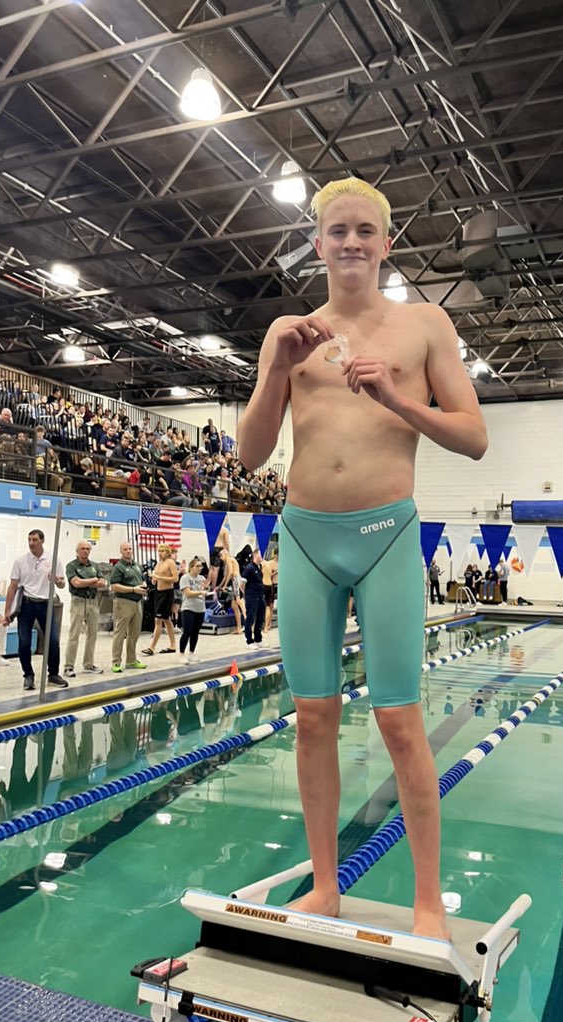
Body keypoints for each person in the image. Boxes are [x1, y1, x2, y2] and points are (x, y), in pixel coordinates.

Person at [236, 176, 487, 938]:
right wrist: (276, 364)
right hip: (307, 536)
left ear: (385, 243)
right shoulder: (290, 333)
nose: (350, 242)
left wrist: (397, 401)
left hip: (386, 539)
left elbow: (474, 438)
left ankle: (427, 899)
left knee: (401, 722)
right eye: (336, 231)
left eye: (363, 231)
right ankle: (323, 885)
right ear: (317, 244)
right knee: (312, 718)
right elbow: (250, 457)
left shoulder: (423, 326)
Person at [2, 529, 68, 690]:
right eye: (29, 539)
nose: (31, 543)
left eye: (35, 540)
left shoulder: (53, 559)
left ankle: (53, 674)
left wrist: (57, 580)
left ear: (42, 541)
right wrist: (7, 611)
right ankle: (28, 675)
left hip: (46, 604)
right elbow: (12, 586)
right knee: (24, 643)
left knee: (53, 641)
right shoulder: (21, 560)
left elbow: (62, 583)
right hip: (26, 605)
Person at [63, 540, 107, 677]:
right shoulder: (71, 566)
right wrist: (93, 580)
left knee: (93, 634)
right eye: (82, 548)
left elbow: (103, 583)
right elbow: (76, 583)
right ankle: (68, 666)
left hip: (93, 602)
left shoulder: (94, 566)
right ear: (77, 551)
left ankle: (88, 664)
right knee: (74, 634)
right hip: (78, 601)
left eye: (88, 549)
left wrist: (86, 582)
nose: (85, 551)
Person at [109, 542, 148, 673]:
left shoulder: (137, 566)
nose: (128, 551)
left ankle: (131, 660)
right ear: (121, 551)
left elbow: (142, 580)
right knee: (120, 633)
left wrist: (143, 585)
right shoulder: (118, 567)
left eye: (130, 549)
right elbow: (114, 586)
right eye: (125, 549)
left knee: (135, 633)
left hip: (137, 603)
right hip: (123, 602)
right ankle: (116, 662)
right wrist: (133, 589)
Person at [142, 543, 179, 656]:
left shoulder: (170, 563)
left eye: (162, 551)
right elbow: (156, 578)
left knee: (158, 620)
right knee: (166, 619)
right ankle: (173, 645)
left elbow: (175, 578)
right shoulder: (158, 564)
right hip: (158, 592)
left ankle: (152, 647)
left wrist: (160, 578)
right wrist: (154, 580)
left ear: (167, 553)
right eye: (159, 551)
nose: (160, 553)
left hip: (167, 593)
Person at [178, 557, 206, 665]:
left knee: (195, 632)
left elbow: (203, 590)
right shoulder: (185, 578)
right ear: (191, 567)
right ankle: (181, 654)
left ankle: (191, 652)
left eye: (201, 566)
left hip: (200, 608)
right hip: (189, 608)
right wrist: (200, 592)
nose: (200, 568)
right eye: (197, 566)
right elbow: (187, 592)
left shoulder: (202, 578)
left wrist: (205, 591)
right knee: (187, 631)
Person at [242, 550, 266, 648]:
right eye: (261, 554)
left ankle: (258, 639)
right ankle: (249, 641)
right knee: (250, 618)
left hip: (260, 596)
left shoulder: (258, 568)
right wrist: (247, 594)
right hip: (252, 597)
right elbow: (242, 584)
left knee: (260, 618)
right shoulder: (249, 568)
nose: (262, 556)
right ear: (255, 555)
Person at [261, 550, 279, 631]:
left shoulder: (282, 563)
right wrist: (275, 572)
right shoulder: (270, 563)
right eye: (277, 555)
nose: (278, 557)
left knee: (272, 606)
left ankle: (269, 623)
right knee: (270, 606)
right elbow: (268, 575)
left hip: (279, 584)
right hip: (272, 584)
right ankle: (268, 624)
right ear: (275, 555)